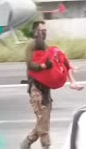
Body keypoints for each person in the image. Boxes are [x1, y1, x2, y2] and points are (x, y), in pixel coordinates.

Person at [21, 21, 52, 149]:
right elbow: (30, 64)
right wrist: (43, 66)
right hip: (36, 88)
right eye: (41, 30)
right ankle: (46, 146)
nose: (44, 32)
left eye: (45, 30)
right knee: (43, 118)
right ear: (35, 32)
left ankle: (27, 141)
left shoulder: (47, 47)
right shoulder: (31, 46)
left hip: (46, 89)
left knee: (44, 119)